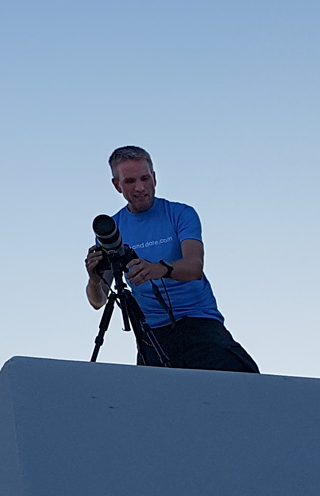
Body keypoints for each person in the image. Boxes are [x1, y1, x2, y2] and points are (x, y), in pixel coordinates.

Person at [85, 145, 259, 373]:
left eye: (145, 178)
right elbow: (98, 302)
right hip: (152, 333)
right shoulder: (111, 231)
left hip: (198, 320)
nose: (140, 188)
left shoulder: (180, 214)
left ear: (155, 178)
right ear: (117, 185)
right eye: (129, 181)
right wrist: (94, 279)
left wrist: (158, 269)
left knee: (245, 380)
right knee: (160, 403)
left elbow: (194, 267)